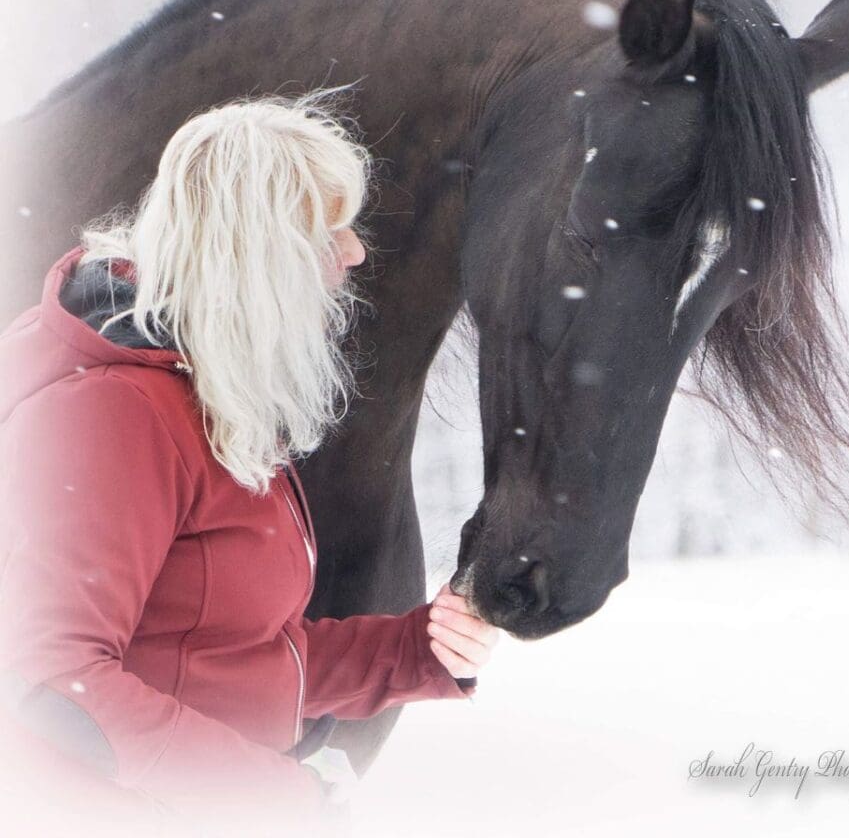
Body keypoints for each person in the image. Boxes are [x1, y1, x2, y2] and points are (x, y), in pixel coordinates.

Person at [0, 96, 499, 828]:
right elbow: (51, 686)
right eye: (328, 232)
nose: (356, 252)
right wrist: (272, 796)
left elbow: (229, 652)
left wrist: (417, 652)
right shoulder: (115, 411)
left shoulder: (202, 388)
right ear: (255, 254)